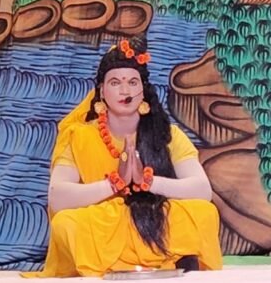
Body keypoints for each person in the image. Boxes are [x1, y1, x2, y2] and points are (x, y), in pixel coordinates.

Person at [31, 37, 223, 276]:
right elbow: (58, 198)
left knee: (204, 213)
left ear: (143, 91)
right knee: (66, 223)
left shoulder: (168, 134)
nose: (125, 91)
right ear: (102, 91)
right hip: (106, 224)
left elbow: (202, 190)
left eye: (133, 82)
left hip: (155, 218)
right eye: (115, 82)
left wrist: (149, 182)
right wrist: (114, 184)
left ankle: (150, 258)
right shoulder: (78, 136)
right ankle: (158, 258)